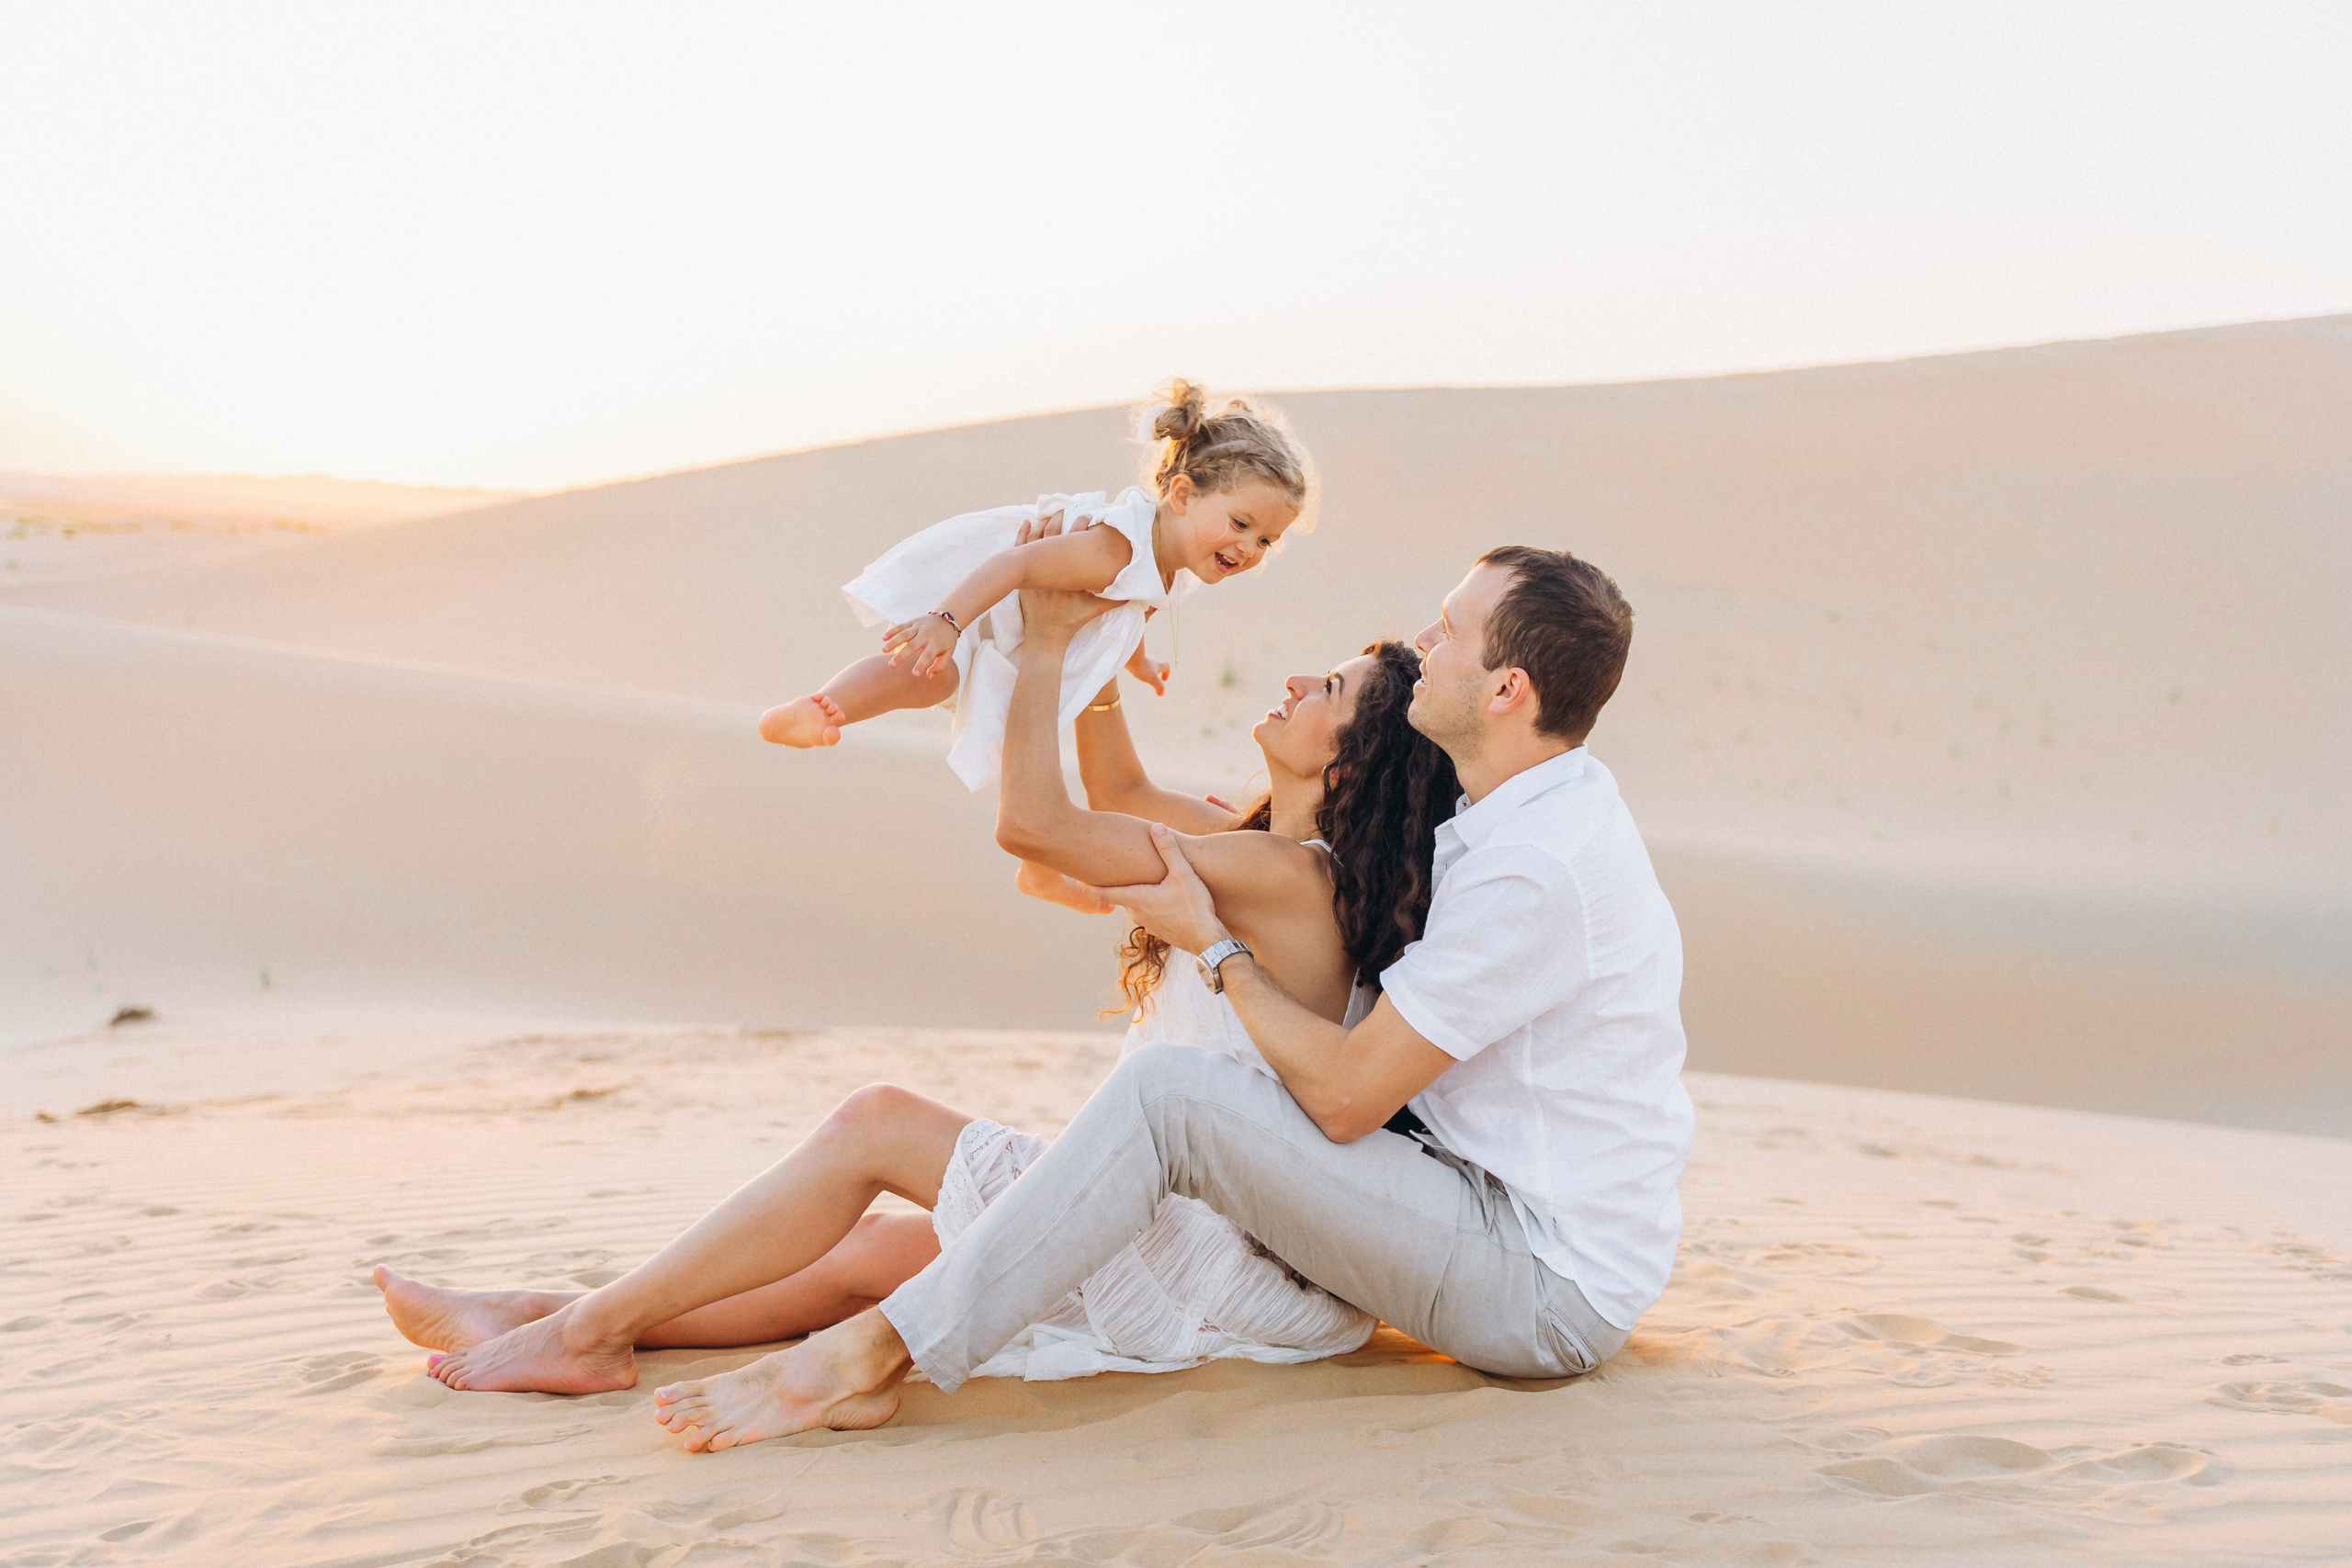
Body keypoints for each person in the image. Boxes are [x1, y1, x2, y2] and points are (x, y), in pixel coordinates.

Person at [644, 545, 1694, 1452]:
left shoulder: (1536, 866)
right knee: (930, 1216)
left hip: (1540, 1283)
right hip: (1464, 1216)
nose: (1426, 641)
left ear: (1507, 690)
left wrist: (1218, 948)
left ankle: (869, 1357)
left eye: (1452, 631)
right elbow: (1129, 817)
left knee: (1168, 1096)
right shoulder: (1506, 822)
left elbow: (1343, 1101)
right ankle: (610, 1320)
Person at [374, 590, 1462, 1404]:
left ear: (1357, 761)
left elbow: (1036, 822)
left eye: (1326, 694)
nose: (1292, 687)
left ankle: (580, 1331)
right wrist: (1098, 643)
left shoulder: (1291, 875)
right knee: (885, 1255)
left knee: (874, 1125)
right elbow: (1119, 796)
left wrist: (1042, 646)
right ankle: (549, 1316)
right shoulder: (1258, 848)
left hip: (1209, 1252)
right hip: (1188, 1213)